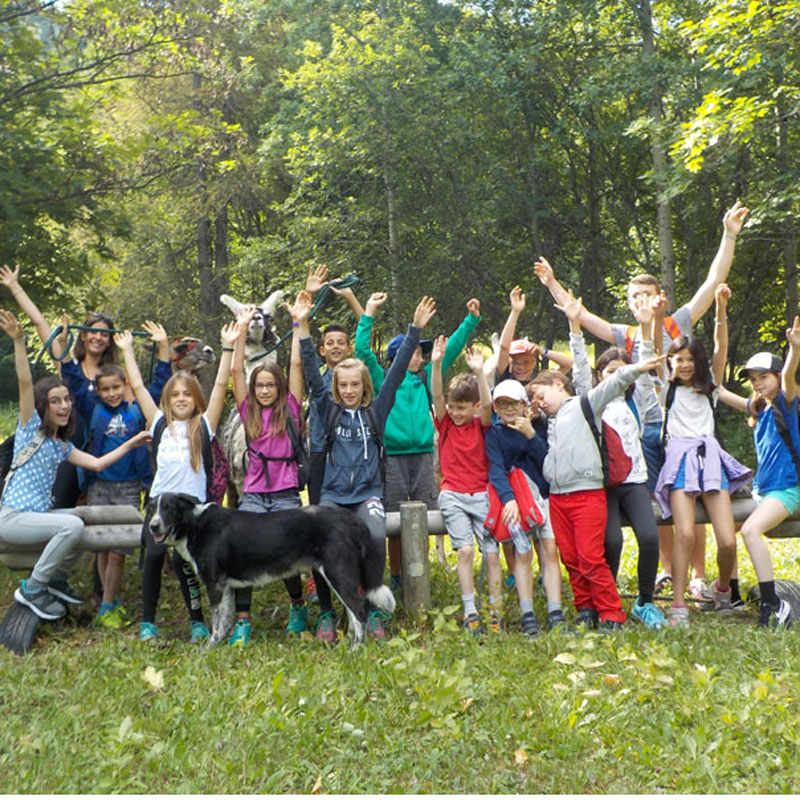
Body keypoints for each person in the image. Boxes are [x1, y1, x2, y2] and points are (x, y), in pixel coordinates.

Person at [533, 201, 750, 600]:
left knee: (695, 500)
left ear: (659, 296)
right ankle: (669, 571)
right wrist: (552, 283)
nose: (638, 302)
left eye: (644, 295)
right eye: (633, 297)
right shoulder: (625, 336)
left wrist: (729, 234)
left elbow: (712, 280)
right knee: (665, 503)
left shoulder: (678, 321)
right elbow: (580, 316)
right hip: (647, 430)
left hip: (686, 427)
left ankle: (700, 577)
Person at [298, 290, 437, 641]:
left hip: (366, 496)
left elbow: (395, 372)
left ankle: (372, 611)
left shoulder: (376, 411)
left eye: (354, 385)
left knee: (373, 536)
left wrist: (415, 329)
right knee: (324, 547)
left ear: (364, 387)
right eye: (342, 385)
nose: (348, 391)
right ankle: (328, 614)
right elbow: (314, 379)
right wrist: (301, 325)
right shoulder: (327, 409)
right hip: (332, 496)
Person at [0, 309, 150, 621]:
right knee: (72, 525)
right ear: (42, 406)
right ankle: (34, 587)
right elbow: (25, 381)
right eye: (55, 401)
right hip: (13, 518)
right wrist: (18, 341)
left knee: (83, 517)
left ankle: (56, 579)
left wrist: (131, 443)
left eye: (67, 399)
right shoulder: (31, 428)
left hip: (36, 517)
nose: (65, 405)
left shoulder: (62, 446)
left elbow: (96, 464)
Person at [114, 321, 240, 643]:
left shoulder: (204, 426)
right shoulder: (158, 424)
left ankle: (197, 621)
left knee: (188, 563)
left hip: (190, 509)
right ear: (167, 401)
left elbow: (221, 383)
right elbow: (140, 388)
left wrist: (227, 348)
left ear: (196, 398)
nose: (181, 398)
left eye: (187, 394)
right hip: (159, 504)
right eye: (175, 395)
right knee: (154, 558)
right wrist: (127, 351)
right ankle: (148, 623)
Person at [528, 339, 663, 632]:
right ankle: (585, 608)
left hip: (587, 493)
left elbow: (614, 382)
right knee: (572, 559)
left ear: (557, 383)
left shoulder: (585, 403)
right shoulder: (548, 420)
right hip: (558, 497)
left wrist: (638, 367)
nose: (539, 402)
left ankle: (611, 614)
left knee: (591, 557)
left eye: (540, 394)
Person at [355, 294, 481, 589]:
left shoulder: (425, 377)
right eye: (414, 352)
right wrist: (369, 312)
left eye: (421, 353)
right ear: (399, 355)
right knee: (395, 521)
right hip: (394, 459)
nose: (420, 356)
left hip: (424, 457)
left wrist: (471, 320)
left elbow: (450, 350)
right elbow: (362, 349)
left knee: (424, 518)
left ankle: (418, 572)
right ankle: (398, 576)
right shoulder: (382, 378)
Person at [560, 290, 664, 630]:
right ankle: (607, 601)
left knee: (649, 537)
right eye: (608, 370)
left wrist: (646, 330)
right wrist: (575, 325)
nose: (615, 376)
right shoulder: (589, 402)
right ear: (600, 374)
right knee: (611, 542)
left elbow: (645, 369)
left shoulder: (640, 402)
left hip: (633, 480)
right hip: (600, 484)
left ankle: (645, 602)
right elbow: (578, 370)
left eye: (622, 371)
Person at [652, 285, 753, 628]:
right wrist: (657, 316)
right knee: (685, 533)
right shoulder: (666, 389)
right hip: (679, 462)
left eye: (689, 359)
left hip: (709, 460)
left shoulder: (709, 390)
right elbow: (653, 349)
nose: (683, 365)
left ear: (698, 363)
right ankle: (678, 604)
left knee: (726, 539)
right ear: (670, 362)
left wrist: (721, 310)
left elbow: (721, 348)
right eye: (678, 359)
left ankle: (722, 589)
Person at [227, 306, 307, 646]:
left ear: (279, 387)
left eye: (269, 385)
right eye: (258, 385)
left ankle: (298, 606)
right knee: (242, 552)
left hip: (287, 493)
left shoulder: (289, 409)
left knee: (287, 553)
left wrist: (297, 322)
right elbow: (235, 374)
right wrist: (241, 331)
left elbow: (297, 364)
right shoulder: (249, 413)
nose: (263, 390)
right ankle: (242, 621)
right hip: (254, 495)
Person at [718, 314, 800, 629]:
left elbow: (790, 374)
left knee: (751, 531)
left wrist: (794, 349)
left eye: (764, 376)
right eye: (753, 379)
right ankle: (732, 591)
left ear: (777, 377)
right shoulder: (760, 408)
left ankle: (772, 603)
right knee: (729, 524)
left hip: (787, 489)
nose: (758, 383)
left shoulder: (787, 401)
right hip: (763, 490)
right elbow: (720, 392)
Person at [485, 379, 566, 636]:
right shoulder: (495, 435)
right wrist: (508, 499)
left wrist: (531, 435)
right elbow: (496, 470)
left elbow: (548, 463)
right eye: (503, 404)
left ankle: (555, 612)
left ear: (524, 405)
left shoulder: (538, 427)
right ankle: (527, 613)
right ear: (496, 408)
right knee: (522, 553)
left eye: (514, 403)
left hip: (543, 497)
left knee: (550, 550)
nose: (509, 409)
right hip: (516, 501)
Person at [430, 335, 496, 635]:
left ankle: (495, 611)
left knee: (492, 552)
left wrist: (480, 372)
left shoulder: (481, 425)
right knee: (466, 551)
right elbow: (438, 396)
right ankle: (470, 611)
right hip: (453, 495)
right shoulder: (445, 424)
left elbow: (488, 404)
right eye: (453, 407)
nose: (456, 413)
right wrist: (436, 363)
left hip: (481, 493)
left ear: (474, 407)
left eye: (462, 408)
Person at [494, 285, 573, 385]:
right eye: (516, 362)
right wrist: (515, 312)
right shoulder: (505, 378)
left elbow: (568, 364)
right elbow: (504, 347)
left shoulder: (538, 385)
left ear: (534, 363)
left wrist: (542, 351)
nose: (521, 367)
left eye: (526, 362)